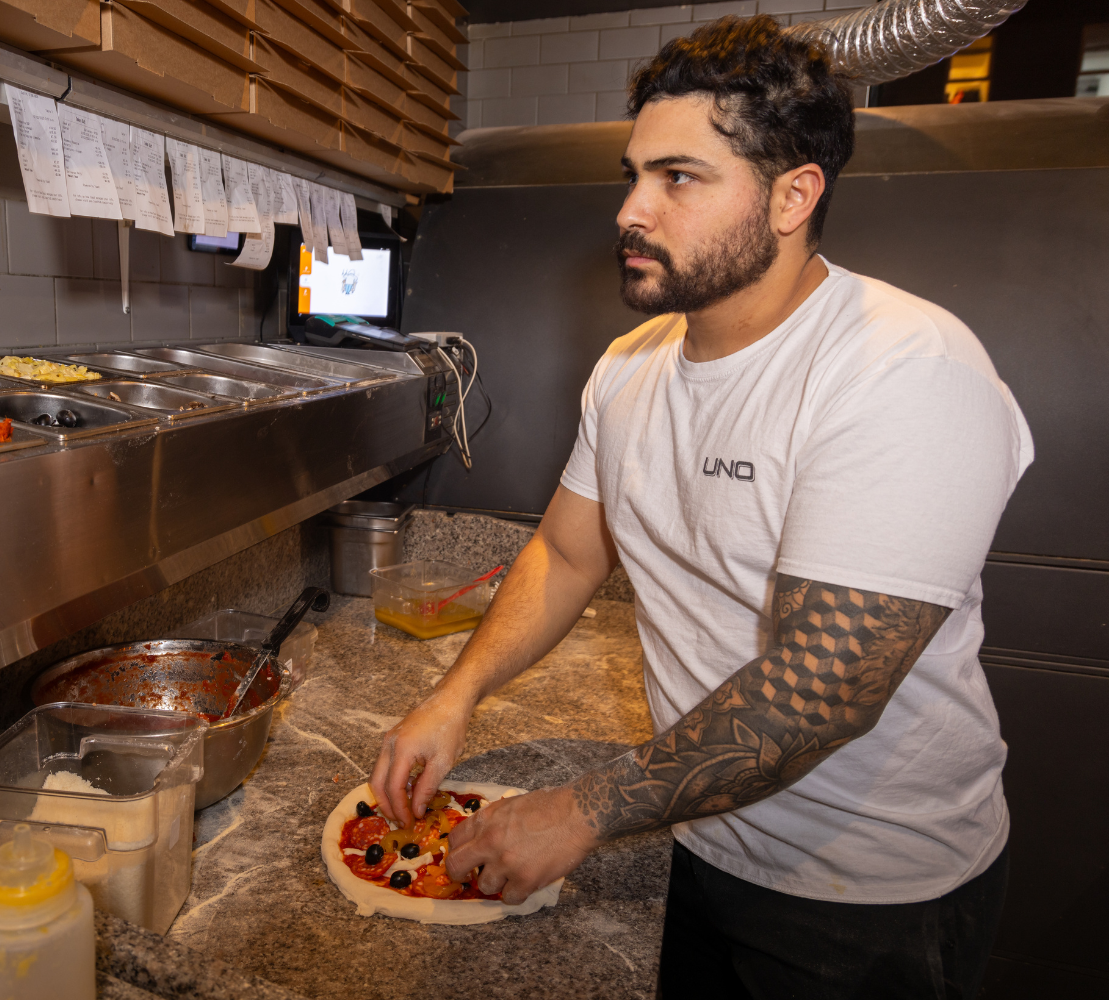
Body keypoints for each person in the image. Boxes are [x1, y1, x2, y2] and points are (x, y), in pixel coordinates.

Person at [368, 15, 1032, 1000]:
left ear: (792, 194)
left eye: (679, 178)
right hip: (697, 829)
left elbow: (821, 690)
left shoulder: (902, 369)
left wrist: (582, 809)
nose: (632, 210)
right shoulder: (631, 367)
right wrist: (454, 696)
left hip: (866, 898)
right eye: (634, 174)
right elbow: (565, 551)